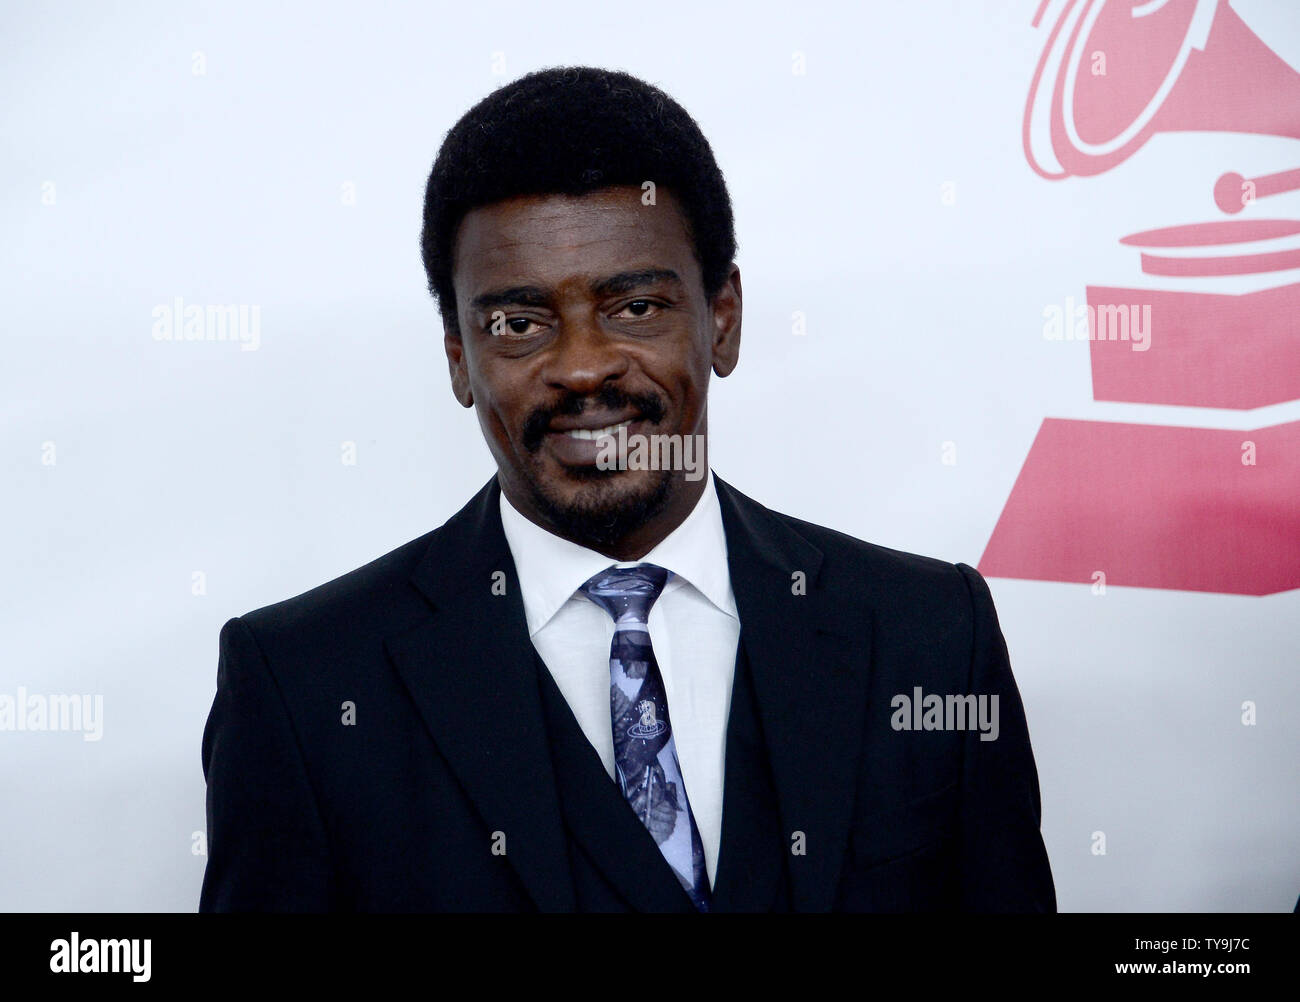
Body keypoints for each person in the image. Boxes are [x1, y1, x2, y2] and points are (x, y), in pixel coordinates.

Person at [199, 66, 1056, 912]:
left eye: (636, 308)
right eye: (520, 324)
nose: (581, 367)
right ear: (460, 359)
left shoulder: (931, 636)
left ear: (723, 318)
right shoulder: (302, 688)